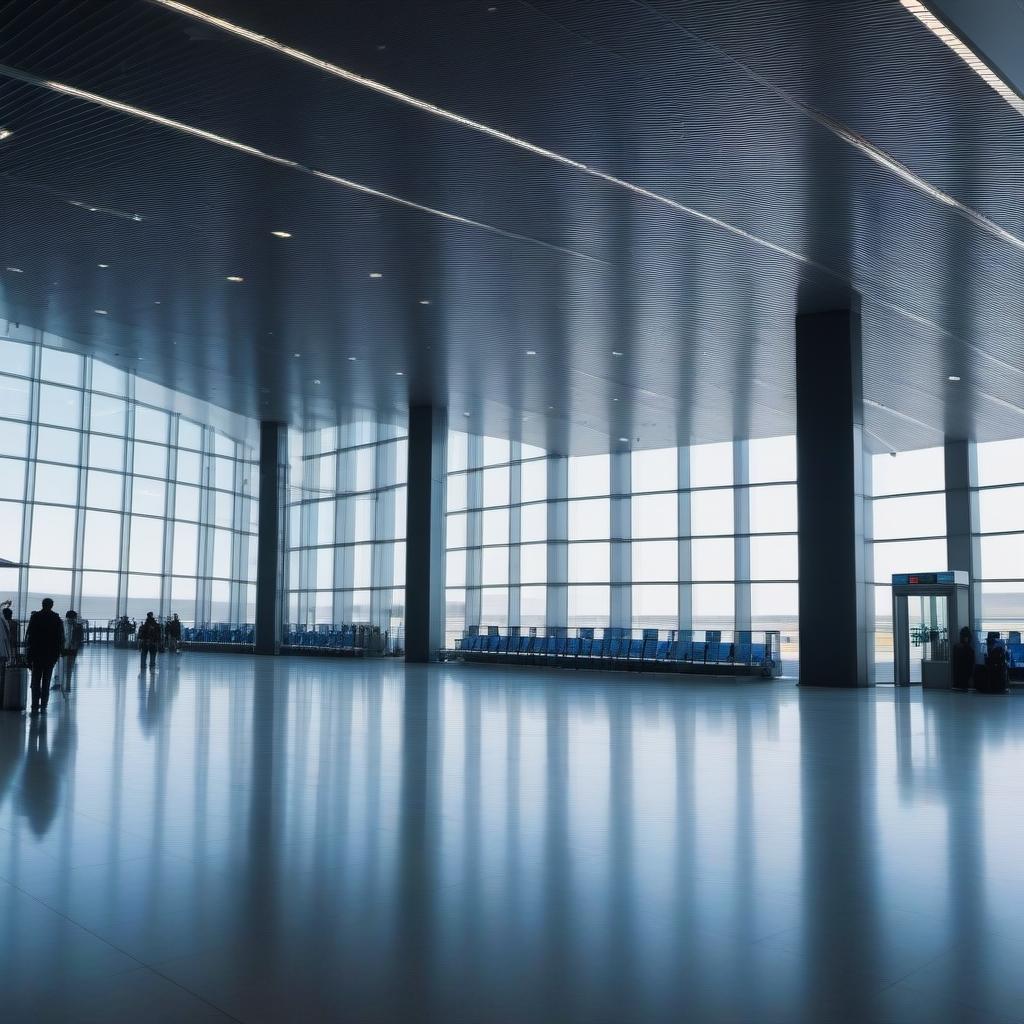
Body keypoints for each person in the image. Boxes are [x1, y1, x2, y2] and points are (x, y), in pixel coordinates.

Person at [25, 598, 63, 714]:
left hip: (37, 654)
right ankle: (44, 704)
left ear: (42, 605)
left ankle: (35, 703)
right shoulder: (56, 619)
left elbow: (29, 637)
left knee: (36, 680)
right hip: (50, 655)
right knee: (46, 681)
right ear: (52, 606)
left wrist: (29, 656)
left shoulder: (35, 617)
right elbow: (59, 639)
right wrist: (56, 654)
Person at [58, 610, 84, 695]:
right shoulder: (62, 624)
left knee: (69, 668)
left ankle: (67, 686)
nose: (73, 620)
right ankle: (63, 685)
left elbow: (80, 638)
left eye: (73, 618)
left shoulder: (78, 626)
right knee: (64, 667)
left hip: (72, 648)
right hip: (65, 648)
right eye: (72, 618)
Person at [952, 626, 975, 692]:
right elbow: (971, 662)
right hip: (966, 669)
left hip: (959, 672)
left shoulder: (956, 647)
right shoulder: (969, 648)